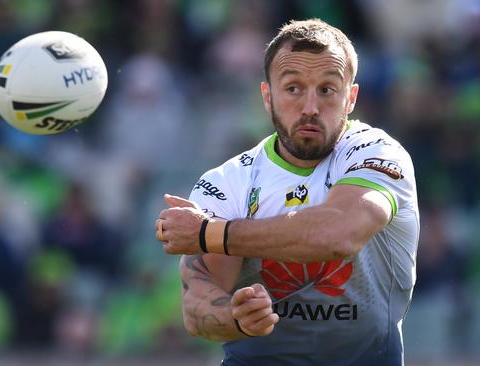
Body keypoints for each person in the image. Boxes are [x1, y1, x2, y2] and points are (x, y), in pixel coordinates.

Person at [155, 18, 419, 365]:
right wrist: (236, 319)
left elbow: (338, 234)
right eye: (293, 88)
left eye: (327, 89)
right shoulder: (226, 182)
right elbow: (197, 307)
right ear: (267, 96)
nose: (310, 107)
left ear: (350, 98)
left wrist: (208, 233)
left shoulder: (377, 153)